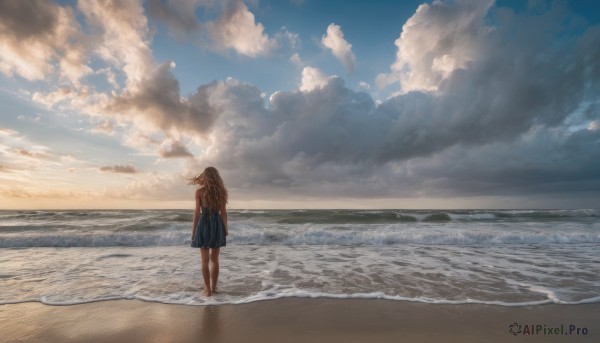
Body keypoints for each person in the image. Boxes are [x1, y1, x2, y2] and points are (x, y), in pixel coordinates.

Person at [189, 166, 228, 297]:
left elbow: (196, 213)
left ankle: (208, 290)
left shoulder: (199, 192)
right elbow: (223, 213)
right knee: (215, 260)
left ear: (205, 177)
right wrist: (225, 229)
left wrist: (194, 231)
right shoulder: (222, 192)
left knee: (204, 260)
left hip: (204, 224)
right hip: (217, 224)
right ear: (217, 177)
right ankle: (214, 287)